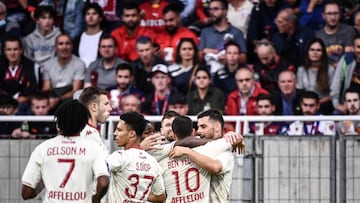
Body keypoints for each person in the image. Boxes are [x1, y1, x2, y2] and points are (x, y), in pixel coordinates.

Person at [21, 100, 109, 203]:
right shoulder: (94, 148)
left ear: (58, 125)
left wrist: (43, 184)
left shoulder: (42, 148)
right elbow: (103, 182)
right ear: (84, 123)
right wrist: (95, 199)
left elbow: (26, 193)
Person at [106, 112, 166, 202]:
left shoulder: (120, 157)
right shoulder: (153, 162)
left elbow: (100, 172)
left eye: (119, 130)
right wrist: (139, 197)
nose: (115, 133)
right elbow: (161, 196)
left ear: (132, 134)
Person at [42, 34, 86, 110]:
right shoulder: (48, 64)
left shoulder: (79, 64)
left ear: (72, 46)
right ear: (55, 47)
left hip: (70, 97)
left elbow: (76, 90)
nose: (64, 47)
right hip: (53, 95)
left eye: (67, 43)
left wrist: (58, 99)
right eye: (61, 44)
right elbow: (46, 89)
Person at [199, 0, 247, 65]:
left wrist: (228, 57)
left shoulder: (237, 33)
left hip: (230, 72)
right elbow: (199, 57)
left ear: (225, 11)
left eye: (215, 9)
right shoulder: (205, 32)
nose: (211, 12)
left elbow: (243, 58)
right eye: (210, 9)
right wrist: (204, 52)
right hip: (209, 72)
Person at [296, 38, 335, 115]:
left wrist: (317, 103)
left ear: (323, 53)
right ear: (308, 52)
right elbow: (300, 91)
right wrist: (308, 104)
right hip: (306, 105)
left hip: (324, 105)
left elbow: (333, 94)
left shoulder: (330, 70)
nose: (315, 53)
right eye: (312, 50)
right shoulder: (301, 69)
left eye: (318, 50)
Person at [315, 1, 357, 67]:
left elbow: (348, 58)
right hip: (325, 72)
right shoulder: (318, 35)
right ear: (323, 15)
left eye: (335, 13)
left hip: (344, 71)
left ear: (340, 14)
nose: (333, 17)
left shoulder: (349, 31)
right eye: (329, 13)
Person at [0, 37, 37, 109]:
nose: (12, 53)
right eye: (9, 49)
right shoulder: (1, 66)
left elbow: (34, 91)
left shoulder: (33, 67)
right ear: (4, 51)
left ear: (21, 51)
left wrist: (14, 103)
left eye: (15, 49)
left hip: (25, 106)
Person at [330, 35, 360, 115]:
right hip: (348, 103)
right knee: (336, 114)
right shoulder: (346, 60)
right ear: (353, 48)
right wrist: (336, 104)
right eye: (358, 47)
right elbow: (337, 81)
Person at [79, 86, 112, 155]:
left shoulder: (85, 130)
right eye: (106, 104)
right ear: (94, 107)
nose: (110, 109)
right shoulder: (89, 134)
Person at [74, 2, 105, 67]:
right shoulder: (78, 39)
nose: (90, 17)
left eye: (94, 14)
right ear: (84, 18)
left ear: (100, 18)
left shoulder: (105, 37)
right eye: (88, 14)